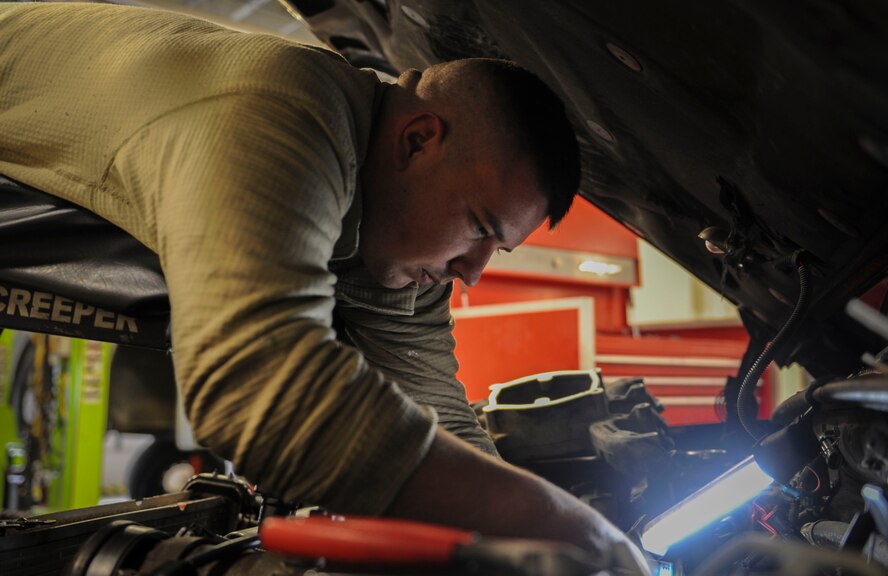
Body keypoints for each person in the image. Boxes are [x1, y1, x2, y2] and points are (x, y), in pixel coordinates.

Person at [0, 2, 647, 571]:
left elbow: (436, 416)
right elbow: (256, 385)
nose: (472, 271)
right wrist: (563, 527)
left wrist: (526, 544)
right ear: (420, 140)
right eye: (479, 227)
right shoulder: (284, 112)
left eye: (494, 248)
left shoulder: (392, 241)